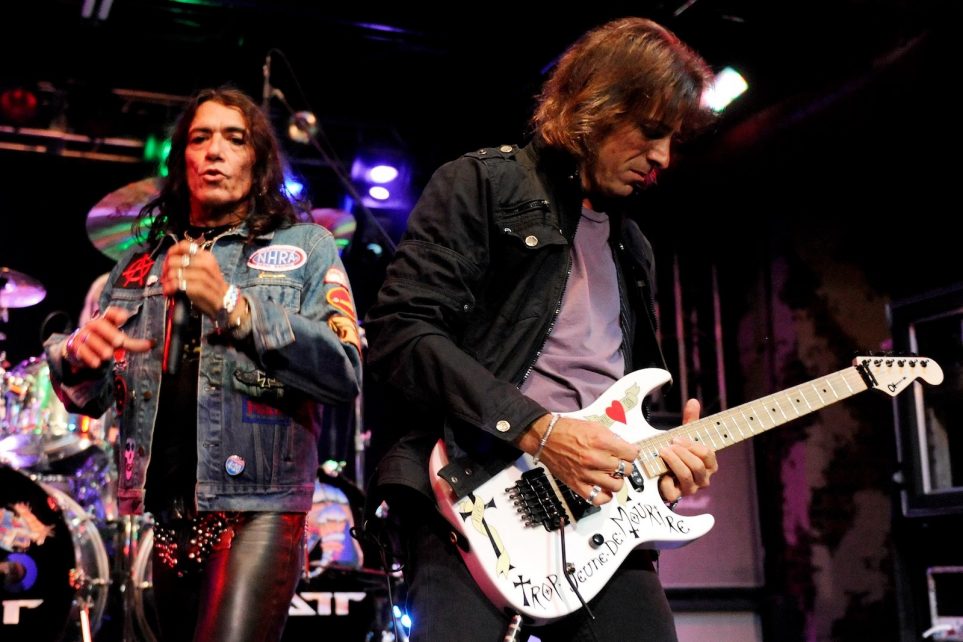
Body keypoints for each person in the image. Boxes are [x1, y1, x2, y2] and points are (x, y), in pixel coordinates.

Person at [363, 17, 719, 641]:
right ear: (597, 106)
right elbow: (403, 332)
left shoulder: (633, 248)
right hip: (472, 491)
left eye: (672, 140)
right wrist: (538, 430)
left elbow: (617, 403)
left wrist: (660, 467)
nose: (663, 157)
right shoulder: (483, 185)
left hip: (598, 515)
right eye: (650, 131)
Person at [45, 86, 363, 641]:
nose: (215, 150)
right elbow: (88, 398)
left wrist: (234, 306)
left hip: (259, 507)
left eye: (234, 138)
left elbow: (343, 371)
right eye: (200, 138)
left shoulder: (307, 246)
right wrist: (77, 357)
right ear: (182, 160)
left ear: (258, 160)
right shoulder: (138, 265)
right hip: (167, 513)